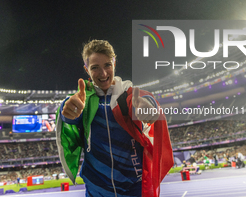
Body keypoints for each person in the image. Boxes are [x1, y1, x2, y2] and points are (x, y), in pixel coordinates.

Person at [56, 40, 173, 197]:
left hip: (135, 189)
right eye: (95, 68)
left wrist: (149, 108)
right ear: (86, 69)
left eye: (107, 65)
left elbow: (146, 103)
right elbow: (68, 122)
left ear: (114, 62)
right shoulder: (82, 102)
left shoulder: (131, 97)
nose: (103, 74)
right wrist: (67, 113)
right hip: (97, 191)